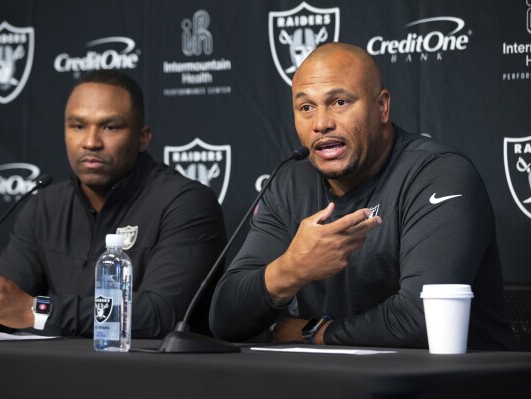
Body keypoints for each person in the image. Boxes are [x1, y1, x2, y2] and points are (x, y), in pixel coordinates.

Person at [209, 42, 519, 350]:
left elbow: (422, 318)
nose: (321, 123)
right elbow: (225, 319)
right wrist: (291, 269)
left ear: (382, 107)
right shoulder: (289, 182)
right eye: (306, 107)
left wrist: (315, 332)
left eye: (340, 102)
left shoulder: (439, 173)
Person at [0, 70, 226, 338]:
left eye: (109, 127)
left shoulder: (185, 202)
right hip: (60, 376)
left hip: (157, 377)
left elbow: (161, 313)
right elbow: (6, 304)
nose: (91, 142)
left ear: (143, 138)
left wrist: (38, 310)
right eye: (78, 126)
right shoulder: (45, 206)